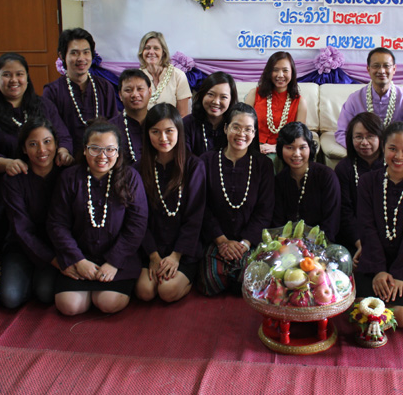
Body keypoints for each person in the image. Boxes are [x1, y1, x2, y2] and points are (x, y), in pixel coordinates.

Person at [46, 119, 148, 316]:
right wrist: (77, 259)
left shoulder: (131, 178)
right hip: (80, 255)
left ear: (118, 152)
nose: (102, 156)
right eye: (95, 149)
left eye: (110, 149)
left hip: (119, 258)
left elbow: (137, 225)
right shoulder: (69, 178)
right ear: (84, 150)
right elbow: (57, 224)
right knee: (70, 306)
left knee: (108, 303)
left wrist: (114, 262)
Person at [355, 122, 403, 328]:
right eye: (393, 149)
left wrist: (400, 273)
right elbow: (367, 227)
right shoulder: (367, 182)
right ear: (383, 148)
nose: (398, 156)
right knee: (359, 308)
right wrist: (379, 270)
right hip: (374, 259)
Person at [198, 103, 275, 296]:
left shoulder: (263, 164)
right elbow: (202, 207)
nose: (242, 134)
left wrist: (245, 244)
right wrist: (222, 241)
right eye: (236, 127)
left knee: (249, 282)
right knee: (211, 283)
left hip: (249, 241)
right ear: (225, 128)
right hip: (216, 239)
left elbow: (264, 210)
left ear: (255, 133)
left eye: (248, 129)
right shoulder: (206, 161)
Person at [135, 104, 206, 304]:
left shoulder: (194, 166)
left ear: (179, 132)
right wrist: (153, 255)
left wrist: (176, 256)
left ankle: (190, 277)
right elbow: (139, 218)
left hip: (183, 249)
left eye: (169, 131)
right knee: (145, 292)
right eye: (155, 132)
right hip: (151, 247)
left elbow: (195, 216)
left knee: (167, 291)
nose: (163, 138)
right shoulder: (138, 168)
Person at [0, 117, 72, 308]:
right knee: (10, 298)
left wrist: (59, 256)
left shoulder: (66, 173)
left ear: (56, 144)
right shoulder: (14, 179)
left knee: (46, 294)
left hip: (55, 245)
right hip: (21, 247)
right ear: (24, 148)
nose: (41, 150)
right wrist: (54, 262)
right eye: (33, 144)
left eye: (47, 142)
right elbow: (21, 229)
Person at [0, 52, 74, 175]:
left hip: (47, 176)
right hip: (6, 180)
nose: (13, 80)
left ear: (27, 78)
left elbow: (63, 136)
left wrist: (63, 152)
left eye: (19, 74)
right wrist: (6, 164)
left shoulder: (45, 105)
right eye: (7, 75)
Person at [43, 28, 119, 155]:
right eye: (74, 53)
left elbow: (114, 126)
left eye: (86, 52)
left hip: (101, 159)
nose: (81, 58)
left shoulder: (105, 87)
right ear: (62, 55)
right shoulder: (52, 92)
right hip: (66, 160)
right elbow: (49, 131)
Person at [335, 48, 403, 148]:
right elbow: (342, 133)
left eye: (386, 66)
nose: (381, 71)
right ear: (368, 69)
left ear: (394, 69)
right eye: (376, 66)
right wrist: (359, 149)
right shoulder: (354, 99)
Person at [272, 122, 340, 242]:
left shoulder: (326, 176)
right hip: (287, 247)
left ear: (310, 148)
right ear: (281, 149)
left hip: (322, 244)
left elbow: (331, 222)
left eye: (302, 147)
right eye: (290, 147)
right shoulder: (279, 181)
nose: (296, 154)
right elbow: (278, 223)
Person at [334, 112, 385, 261]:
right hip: (355, 238)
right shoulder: (344, 168)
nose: (364, 142)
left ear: (380, 137)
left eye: (370, 136)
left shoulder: (392, 166)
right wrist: (360, 242)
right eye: (358, 137)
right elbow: (344, 211)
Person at [245, 51, 307, 158]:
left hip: (284, 148)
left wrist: (276, 147)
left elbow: (298, 136)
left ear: (292, 73)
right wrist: (254, 146)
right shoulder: (254, 94)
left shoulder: (300, 102)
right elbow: (244, 125)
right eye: (275, 70)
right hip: (253, 145)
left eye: (285, 70)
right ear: (269, 72)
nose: (280, 75)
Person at [183, 71, 238, 156]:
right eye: (210, 94)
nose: (216, 102)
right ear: (202, 95)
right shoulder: (187, 124)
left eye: (223, 97)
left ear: (231, 100)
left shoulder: (236, 126)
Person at [138, 31, 192, 116]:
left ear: (163, 52)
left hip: (172, 128)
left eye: (156, 48)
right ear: (142, 52)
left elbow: (183, 116)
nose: (151, 52)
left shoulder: (178, 76)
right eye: (147, 48)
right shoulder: (136, 77)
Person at [110, 69, 152, 166]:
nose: (135, 95)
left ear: (150, 92)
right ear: (120, 95)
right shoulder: (111, 129)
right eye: (128, 90)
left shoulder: (160, 123)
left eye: (140, 89)